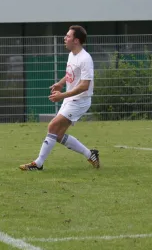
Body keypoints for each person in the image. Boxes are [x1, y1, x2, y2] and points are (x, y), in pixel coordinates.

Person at [20, 25, 99, 171]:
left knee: (52, 126)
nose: (65, 38)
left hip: (80, 101)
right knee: (58, 134)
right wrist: (61, 83)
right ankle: (90, 154)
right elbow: (70, 74)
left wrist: (62, 95)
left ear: (76, 40)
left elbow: (84, 86)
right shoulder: (72, 55)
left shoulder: (85, 58)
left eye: (68, 36)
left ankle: (38, 164)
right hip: (71, 99)